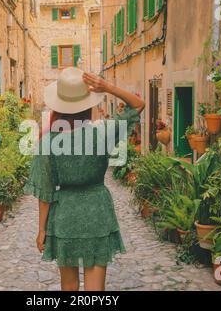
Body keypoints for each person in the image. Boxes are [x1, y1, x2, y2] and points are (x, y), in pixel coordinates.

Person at [24, 67, 145, 291]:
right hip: (97, 212)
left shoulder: (48, 141)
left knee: (68, 287)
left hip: (65, 216)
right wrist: (107, 87)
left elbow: (45, 191)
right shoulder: (103, 132)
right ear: (87, 104)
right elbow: (137, 105)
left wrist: (41, 230)